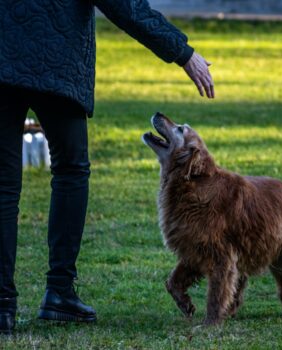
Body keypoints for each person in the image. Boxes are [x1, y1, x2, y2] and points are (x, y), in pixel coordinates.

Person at [0, 0, 214, 335]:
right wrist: (184, 53)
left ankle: (2, 308)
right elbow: (124, 5)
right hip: (58, 62)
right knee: (71, 171)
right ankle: (59, 292)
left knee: (3, 186)